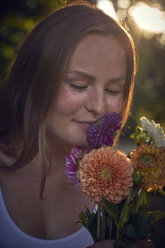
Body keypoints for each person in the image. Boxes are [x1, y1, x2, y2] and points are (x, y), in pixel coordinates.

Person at [0, 1, 155, 248]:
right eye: (78, 84)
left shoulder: (125, 190)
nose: (99, 106)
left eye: (114, 89)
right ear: (34, 79)